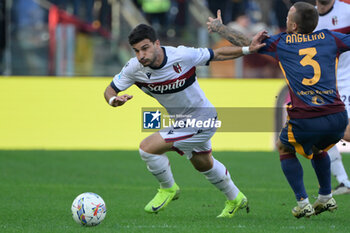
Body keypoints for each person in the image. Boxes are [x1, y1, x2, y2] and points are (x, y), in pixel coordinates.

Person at [104, 24, 265, 217]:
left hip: (203, 117)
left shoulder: (181, 55)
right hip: (181, 121)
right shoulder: (134, 68)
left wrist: (248, 49)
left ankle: (168, 188)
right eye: (136, 51)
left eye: (145, 48)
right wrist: (114, 100)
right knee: (202, 163)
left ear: (157, 43)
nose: (141, 55)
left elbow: (217, 54)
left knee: (147, 148)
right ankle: (236, 198)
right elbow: (110, 90)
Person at [207, 2, 350, 218]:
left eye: (287, 18)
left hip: (307, 118)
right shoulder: (330, 37)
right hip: (338, 117)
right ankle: (325, 197)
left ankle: (303, 203)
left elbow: (248, 43)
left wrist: (220, 28)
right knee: (319, 148)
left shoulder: (282, 43)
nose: (285, 21)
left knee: (284, 147)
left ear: (293, 25)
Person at [314, 0, 350, 195]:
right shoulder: (307, 16)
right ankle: (343, 182)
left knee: (342, 132)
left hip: (346, 80)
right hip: (322, 85)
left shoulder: (347, 12)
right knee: (319, 134)